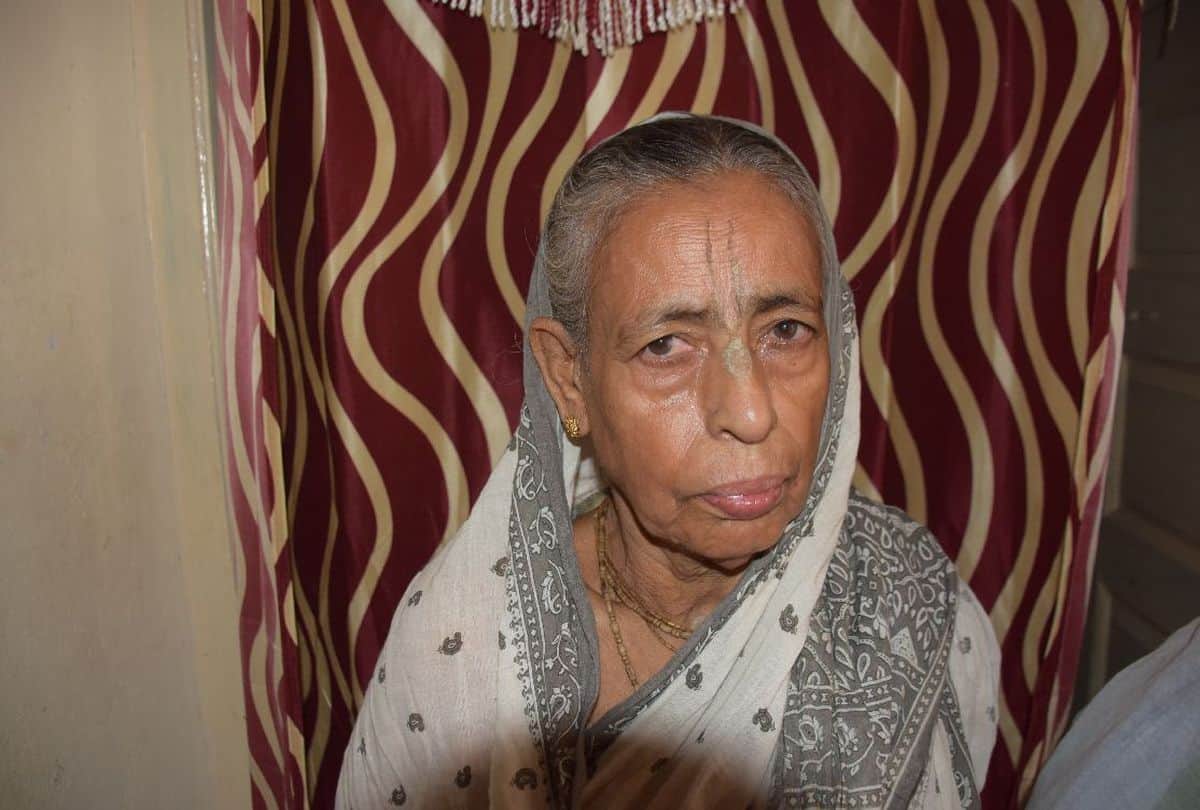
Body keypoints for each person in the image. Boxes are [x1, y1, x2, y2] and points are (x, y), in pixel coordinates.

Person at [336, 113, 1000, 809]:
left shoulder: (913, 607)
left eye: (785, 330)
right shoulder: (469, 641)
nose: (750, 413)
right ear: (569, 380)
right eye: (666, 346)